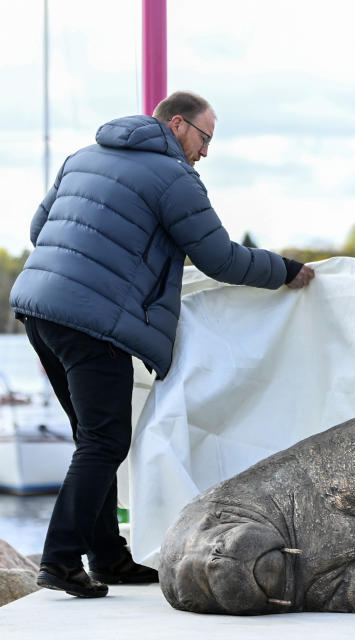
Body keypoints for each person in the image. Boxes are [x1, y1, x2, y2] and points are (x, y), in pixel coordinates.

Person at [9, 91, 315, 599]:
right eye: (205, 137)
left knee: (94, 438)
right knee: (105, 441)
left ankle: (107, 556)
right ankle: (60, 561)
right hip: (91, 322)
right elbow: (220, 258)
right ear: (178, 124)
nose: (206, 152)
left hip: (38, 309)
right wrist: (284, 271)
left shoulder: (82, 157)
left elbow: (40, 229)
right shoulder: (174, 178)